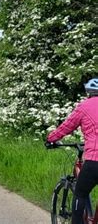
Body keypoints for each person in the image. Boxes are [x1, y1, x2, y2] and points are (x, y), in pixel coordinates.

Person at [46, 78, 98, 224]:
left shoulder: (84, 106)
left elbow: (67, 126)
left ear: (88, 93)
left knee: (80, 194)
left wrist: (51, 138)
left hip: (95, 160)